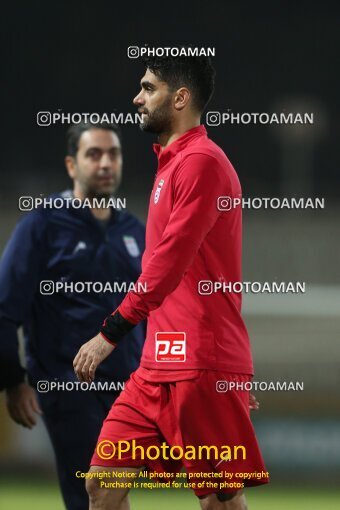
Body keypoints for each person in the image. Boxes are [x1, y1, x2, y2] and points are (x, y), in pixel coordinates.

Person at [74, 55, 268, 510]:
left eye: (148, 87)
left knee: (220, 501)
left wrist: (110, 333)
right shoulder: (173, 164)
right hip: (157, 367)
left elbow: (168, 264)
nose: (136, 98)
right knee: (101, 486)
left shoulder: (202, 163)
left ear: (180, 98)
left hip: (200, 363)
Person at [0, 122, 145, 510]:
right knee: (96, 489)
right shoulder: (42, 225)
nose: (105, 163)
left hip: (131, 388)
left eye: (112, 154)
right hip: (67, 384)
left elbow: (155, 311)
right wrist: (13, 381)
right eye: (93, 154)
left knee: (110, 494)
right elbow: (4, 308)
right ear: (71, 165)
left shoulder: (135, 231)